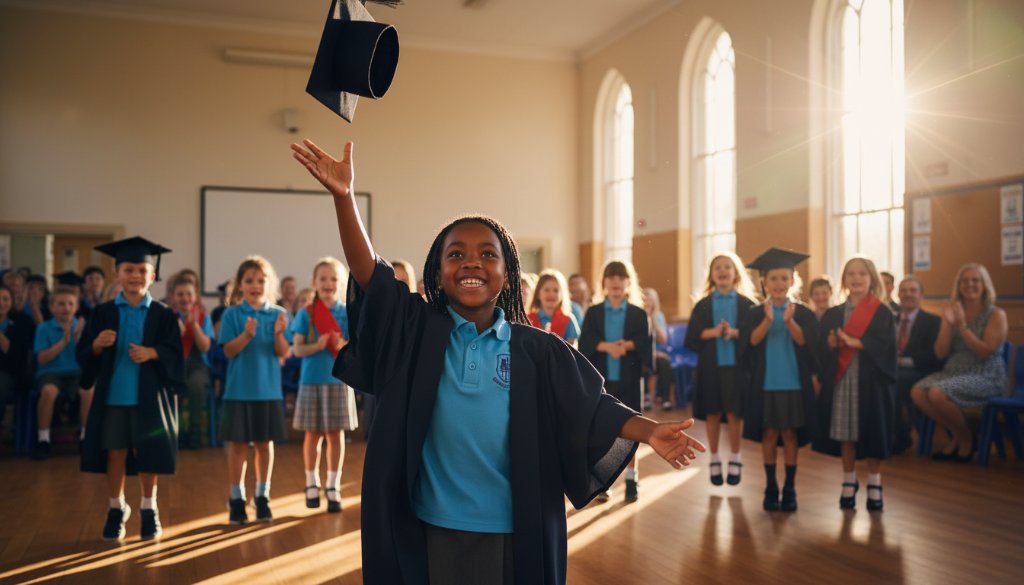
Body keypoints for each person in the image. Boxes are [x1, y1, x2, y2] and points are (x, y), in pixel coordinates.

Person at [291, 138, 703, 585]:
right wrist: (345, 198)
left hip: (514, 526)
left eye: (488, 254)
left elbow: (594, 407)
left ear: (508, 273)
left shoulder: (537, 348)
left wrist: (649, 431)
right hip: (432, 522)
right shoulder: (416, 331)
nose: (472, 263)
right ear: (437, 270)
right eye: (457, 254)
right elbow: (373, 276)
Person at [77, 236, 185, 541]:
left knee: (147, 452)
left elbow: (176, 353)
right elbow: (84, 352)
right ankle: (116, 507)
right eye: (128, 270)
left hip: (149, 396)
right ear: (117, 275)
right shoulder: (104, 312)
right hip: (115, 396)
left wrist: (153, 353)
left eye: (142, 270)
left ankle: (148, 508)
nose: (135, 275)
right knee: (116, 452)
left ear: (152, 276)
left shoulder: (163, 314)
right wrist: (96, 346)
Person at [814, 256, 896, 511]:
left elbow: (886, 347)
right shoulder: (834, 313)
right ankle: (848, 480)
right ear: (844, 279)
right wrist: (830, 345)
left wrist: (854, 342)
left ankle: (874, 482)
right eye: (851, 274)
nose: (856, 278)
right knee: (845, 432)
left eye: (862, 273)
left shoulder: (882, 312)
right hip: (843, 381)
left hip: (871, 382)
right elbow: (821, 349)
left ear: (871, 278)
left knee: (873, 432)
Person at [740, 249, 819, 512]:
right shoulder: (754, 312)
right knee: (770, 434)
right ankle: (771, 485)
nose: (779, 284)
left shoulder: (803, 312)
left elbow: (805, 343)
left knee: (790, 434)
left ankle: (791, 487)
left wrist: (789, 322)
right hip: (766, 384)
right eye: (773, 278)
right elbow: (750, 342)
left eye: (784, 278)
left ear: (793, 280)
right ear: (764, 282)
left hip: (794, 383)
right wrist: (768, 321)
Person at [218, 255, 290, 525]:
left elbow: (283, 353)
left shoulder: (279, 315)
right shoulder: (232, 314)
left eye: (261, 280)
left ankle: (262, 496)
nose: (255, 285)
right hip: (238, 391)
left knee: (264, 445)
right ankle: (236, 497)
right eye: (249, 280)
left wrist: (279, 334)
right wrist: (246, 336)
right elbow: (228, 351)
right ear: (240, 285)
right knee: (238, 446)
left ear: (269, 284)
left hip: (268, 392)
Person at [911, 264, 1008, 462]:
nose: (969, 284)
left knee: (937, 393)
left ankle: (964, 440)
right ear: (958, 286)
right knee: (918, 392)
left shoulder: (996, 314)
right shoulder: (955, 311)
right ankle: (961, 434)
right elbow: (940, 352)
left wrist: (962, 326)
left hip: (985, 375)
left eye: (975, 280)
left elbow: (985, 353)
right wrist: (947, 324)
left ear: (984, 285)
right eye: (964, 281)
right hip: (953, 372)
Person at [579, 259, 652, 503]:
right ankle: (602, 481)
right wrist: (607, 346)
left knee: (633, 427)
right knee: (600, 428)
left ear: (629, 282)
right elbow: (586, 342)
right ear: (604, 283)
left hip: (629, 378)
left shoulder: (638, 313)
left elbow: (644, 342)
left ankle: (632, 476)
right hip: (602, 379)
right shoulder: (595, 312)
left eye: (621, 278)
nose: (616, 282)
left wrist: (627, 345)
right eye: (611, 278)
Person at [290, 257, 356, 514]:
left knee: (335, 435)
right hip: (311, 381)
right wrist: (317, 346)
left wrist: (344, 346)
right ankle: (311, 482)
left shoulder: (347, 311)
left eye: (333, 279)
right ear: (314, 283)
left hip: (338, 380)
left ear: (340, 284)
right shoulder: (306, 313)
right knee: (313, 435)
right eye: (323, 279)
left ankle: (333, 485)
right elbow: (296, 349)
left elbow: (356, 348)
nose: (328, 283)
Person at [685, 252, 757, 486]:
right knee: (713, 413)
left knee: (735, 413)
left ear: (736, 273)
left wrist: (735, 333)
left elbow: (753, 337)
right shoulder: (703, 305)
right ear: (712, 275)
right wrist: (715, 332)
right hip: (711, 367)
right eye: (718, 268)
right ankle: (715, 457)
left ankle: (735, 456)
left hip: (736, 368)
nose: (723, 271)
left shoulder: (747, 305)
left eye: (728, 267)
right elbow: (693, 337)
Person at [31, 285, 84, 460]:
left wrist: (76, 339)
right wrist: (64, 341)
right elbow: (42, 359)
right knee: (48, 392)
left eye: (70, 304)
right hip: (51, 372)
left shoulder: (81, 327)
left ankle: (85, 436)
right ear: (52, 307)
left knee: (89, 391)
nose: (66, 308)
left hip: (76, 372)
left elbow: (87, 358)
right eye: (61, 304)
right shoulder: (44, 328)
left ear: (76, 307)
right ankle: (43, 439)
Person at [891, 276, 943, 454]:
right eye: (904, 290)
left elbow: (935, 355)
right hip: (893, 368)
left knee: (893, 381)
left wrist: (903, 361)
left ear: (921, 295)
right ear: (898, 294)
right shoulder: (890, 319)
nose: (908, 294)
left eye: (913, 290)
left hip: (922, 371)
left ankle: (900, 437)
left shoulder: (934, 321)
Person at [170, 277, 214, 449]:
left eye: (189, 294)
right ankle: (178, 430)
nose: (185, 298)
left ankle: (195, 428)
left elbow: (205, 347)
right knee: (175, 386)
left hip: (197, 365)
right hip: (175, 365)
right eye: (180, 294)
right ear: (174, 297)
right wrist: (176, 334)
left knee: (196, 385)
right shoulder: (169, 317)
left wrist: (194, 326)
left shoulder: (204, 317)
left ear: (195, 296)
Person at [0, 285, 35, 438]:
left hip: (11, 372)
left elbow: (14, 356)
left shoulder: (21, 322)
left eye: (5, 299)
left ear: (12, 301)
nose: (1, 303)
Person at [526, 269, 580, 344]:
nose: (551, 294)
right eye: (547, 290)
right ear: (538, 294)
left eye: (556, 290)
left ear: (562, 295)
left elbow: (571, 350)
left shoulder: (568, 320)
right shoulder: (528, 319)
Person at [642, 287, 673, 411]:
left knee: (665, 364)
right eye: (645, 301)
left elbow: (663, 339)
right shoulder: (637, 316)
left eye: (651, 301)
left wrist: (652, 319)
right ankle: (646, 397)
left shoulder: (659, 316)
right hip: (644, 355)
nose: (648, 304)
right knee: (641, 365)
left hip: (658, 354)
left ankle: (665, 398)